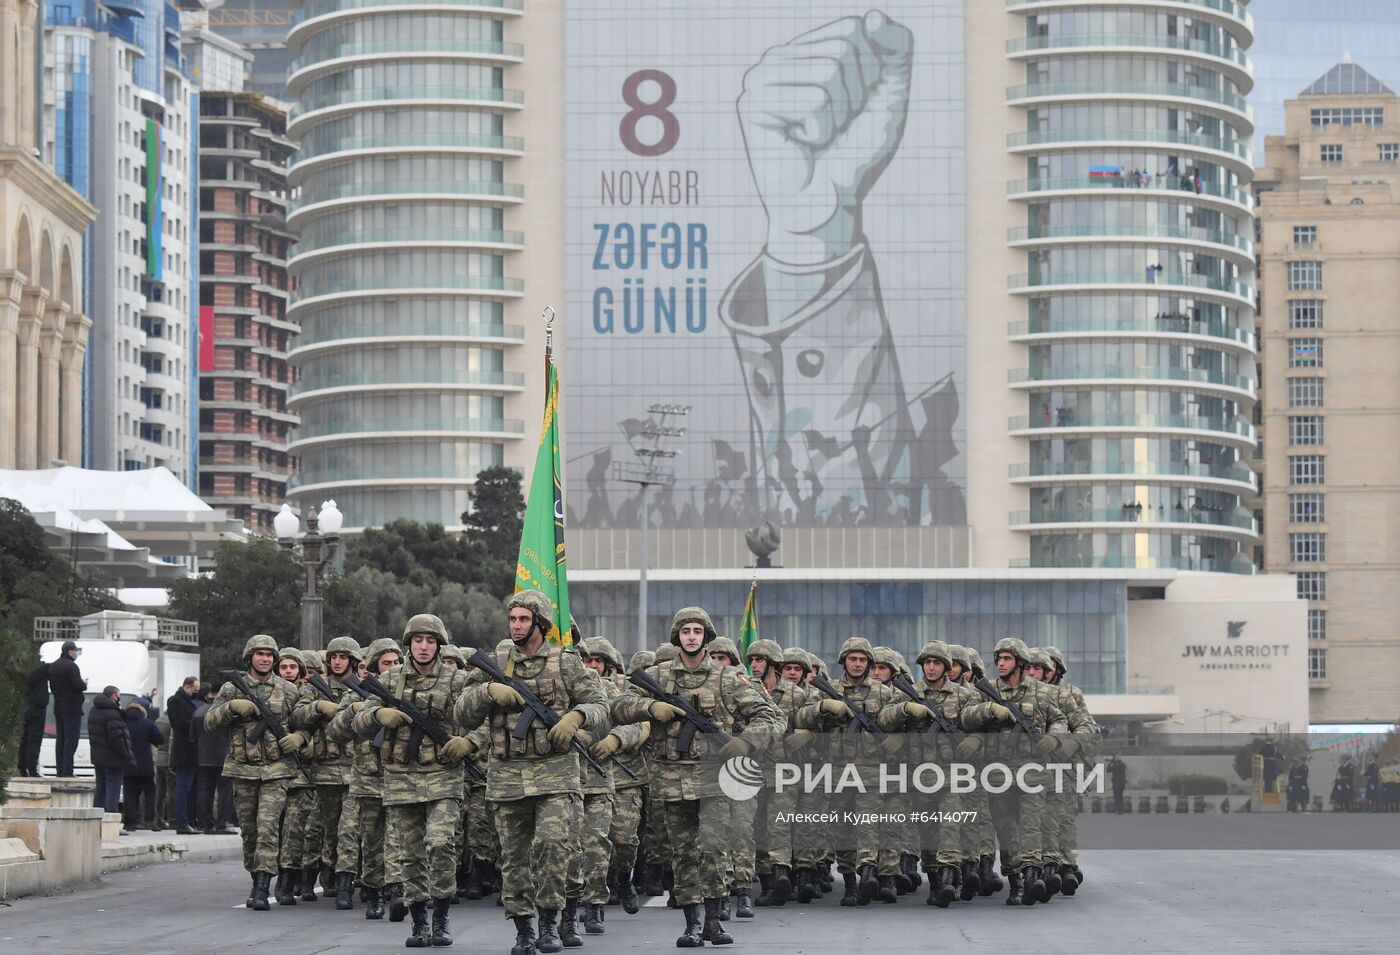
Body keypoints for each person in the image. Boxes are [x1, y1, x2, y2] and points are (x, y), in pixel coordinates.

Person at [614, 606, 783, 947]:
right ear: (677, 636)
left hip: (715, 779)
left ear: (706, 636)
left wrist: (744, 741)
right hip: (672, 779)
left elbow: (773, 717)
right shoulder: (658, 676)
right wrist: (649, 708)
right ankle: (691, 924)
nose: (691, 636)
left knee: (714, 849)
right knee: (684, 853)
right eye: (686, 631)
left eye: (697, 631)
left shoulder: (726, 678)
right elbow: (618, 707)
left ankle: (714, 922)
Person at [454, 593, 610, 955]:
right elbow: (461, 714)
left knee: (553, 848)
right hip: (507, 775)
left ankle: (550, 924)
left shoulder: (565, 664)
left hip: (556, 774)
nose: (517, 626)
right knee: (514, 857)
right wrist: (487, 691)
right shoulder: (495, 662)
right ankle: (523, 929)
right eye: (513, 619)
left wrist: (576, 718)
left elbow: (601, 705)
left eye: (524, 619)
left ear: (539, 623)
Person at [355, 614, 474, 948]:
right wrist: (379, 714)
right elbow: (359, 720)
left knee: (440, 844)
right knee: (409, 853)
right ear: (409, 643)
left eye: (430, 640)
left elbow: (480, 719)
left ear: (439, 644)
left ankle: (441, 916)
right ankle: (419, 920)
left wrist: (469, 742)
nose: (424, 647)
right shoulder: (390, 679)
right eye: (418, 640)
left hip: (443, 776)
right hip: (401, 778)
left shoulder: (456, 680)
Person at [960, 637, 1068, 906]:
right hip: (997, 772)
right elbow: (966, 717)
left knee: (1031, 824)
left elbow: (1059, 720)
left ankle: (1032, 878)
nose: (1001, 663)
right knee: (1006, 828)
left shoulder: (1041, 691)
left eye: (1007, 659)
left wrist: (1053, 738)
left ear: (1019, 662)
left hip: (1032, 770)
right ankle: (1016, 881)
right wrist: (989, 709)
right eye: (998, 659)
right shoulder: (986, 690)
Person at [203, 635, 308, 911]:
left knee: (268, 827)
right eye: (259, 654)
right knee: (249, 831)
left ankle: (263, 886)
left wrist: (300, 738)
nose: (265, 659)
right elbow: (209, 722)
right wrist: (230, 708)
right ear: (250, 657)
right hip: (243, 769)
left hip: (277, 770)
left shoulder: (288, 690)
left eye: (269, 655)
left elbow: (305, 721)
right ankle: (254, 875)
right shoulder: (232, 688)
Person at [329, 637, 402, 920]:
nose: (391, 668)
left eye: (396, 663)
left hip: (400, 779)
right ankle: (373, 891)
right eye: (386, 663)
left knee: (397, 839)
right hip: (367, 779)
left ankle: (397, 890)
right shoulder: (355, 696)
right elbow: (335, 732)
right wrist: (354, 712)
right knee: (370, 840)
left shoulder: (405, 693)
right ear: (372, 668)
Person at [293, 635, 363, 910]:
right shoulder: (315, 688)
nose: (337, 661)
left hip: (355, 771)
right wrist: (317, 707)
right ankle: (330, 873)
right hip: (324, 771)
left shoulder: (360, 688)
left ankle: (345, 883)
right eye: (333, 657)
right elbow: (297, 716)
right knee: (329, 830)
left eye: (343, 657)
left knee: (349, 829)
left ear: (353, 661)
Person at [88, 686, 134, 824]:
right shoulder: (112, 713)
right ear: (114, 696)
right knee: (113, 788)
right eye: (118, 695)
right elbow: (117, 738)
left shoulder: (93, 710)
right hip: (113, 758)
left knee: (100, 787)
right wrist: (126, 755)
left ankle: (96, 819)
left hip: (98, 756)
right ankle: (110, 820)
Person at [193, 683, 234, 833]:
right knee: (224, 791)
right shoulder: (227, 712)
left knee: (205, 791)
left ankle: (205, 823)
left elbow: (193, 736)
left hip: (203, 757)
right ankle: (221, 823)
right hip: (224, 756)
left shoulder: (198, 712)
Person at [122, 697, 166, 831]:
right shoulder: (147, 723)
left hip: (127, 764)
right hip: (145, 765)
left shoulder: (122, 723)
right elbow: (160, 740)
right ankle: (149, 821)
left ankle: (130, 823)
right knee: (149, 792)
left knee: (129, 793)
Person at [167, 675, 201, 835]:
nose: (195, 693)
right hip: (184, 751)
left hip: (191, 751)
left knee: (188, 789)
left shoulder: (186, 701)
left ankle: (188, 820)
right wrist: (198, 723)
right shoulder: (176, 701)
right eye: (195, 690)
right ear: (187, 687)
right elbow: (180, 723)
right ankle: (181, 822)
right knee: (183, 788)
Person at [49, 640, 87, 777]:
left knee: (61, 740)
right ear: (70, 651)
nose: (76, 653)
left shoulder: (53, 666)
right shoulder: (71, 666)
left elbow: (53, 687)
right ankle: (67, 770)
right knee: (71, 740)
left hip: (58, 707)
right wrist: (84, 684)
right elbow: (78, 685)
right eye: (76, 651)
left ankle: (60, 770)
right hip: (72, 708)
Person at [19, 657, 50, 776]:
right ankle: (32, 769)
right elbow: (48, 668)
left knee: (26, 739)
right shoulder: (39, 671)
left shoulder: (25, 673)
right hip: (37, 708)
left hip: (28, 706)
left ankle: (23, 767)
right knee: (34, 739)